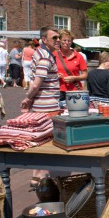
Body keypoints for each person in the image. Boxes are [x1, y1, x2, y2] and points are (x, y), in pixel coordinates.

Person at [21, 26, 61, 189]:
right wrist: (28, 98)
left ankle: (36, 176)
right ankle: (42, 176)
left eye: (59, 37)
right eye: (54, 38)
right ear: (44, 40)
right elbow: (37, 83)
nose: (58, 40)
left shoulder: (41, 53)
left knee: (39, 140)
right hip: (47, 106)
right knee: (46, 142)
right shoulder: (45, 56)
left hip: (42, 104)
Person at [55, 29, 88, 102]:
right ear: (60, 40)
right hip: (58, 90)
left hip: (74, 90)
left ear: (71, 42)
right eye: (64, 40)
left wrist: (74, 78)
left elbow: (85, 75)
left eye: (69, 41)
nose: (66, 43)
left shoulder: (78, 56)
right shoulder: (54, 55)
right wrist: (55, 75)